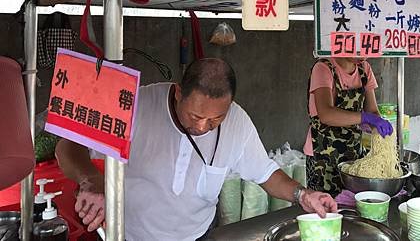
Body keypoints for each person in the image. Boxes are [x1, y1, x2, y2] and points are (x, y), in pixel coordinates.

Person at [55, 58, 336, 241]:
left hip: (199, 235)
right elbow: (68, 147)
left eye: (216, 119)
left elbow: (266, 174)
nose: (203, 127)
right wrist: (91, 180)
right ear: (178, 93)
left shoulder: (237, 121)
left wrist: (303, 194)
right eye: (194, 116)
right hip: (131, 235)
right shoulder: (137, 106)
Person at [304, 57, 393, 195]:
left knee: (353, 205)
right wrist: (364, 117)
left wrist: (378, 126)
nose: (363, 55)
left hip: (353, 154)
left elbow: (372, 111)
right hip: (323, 156)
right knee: (325, 207)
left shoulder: (364, 68)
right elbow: (326, 114)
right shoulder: (323, 68)